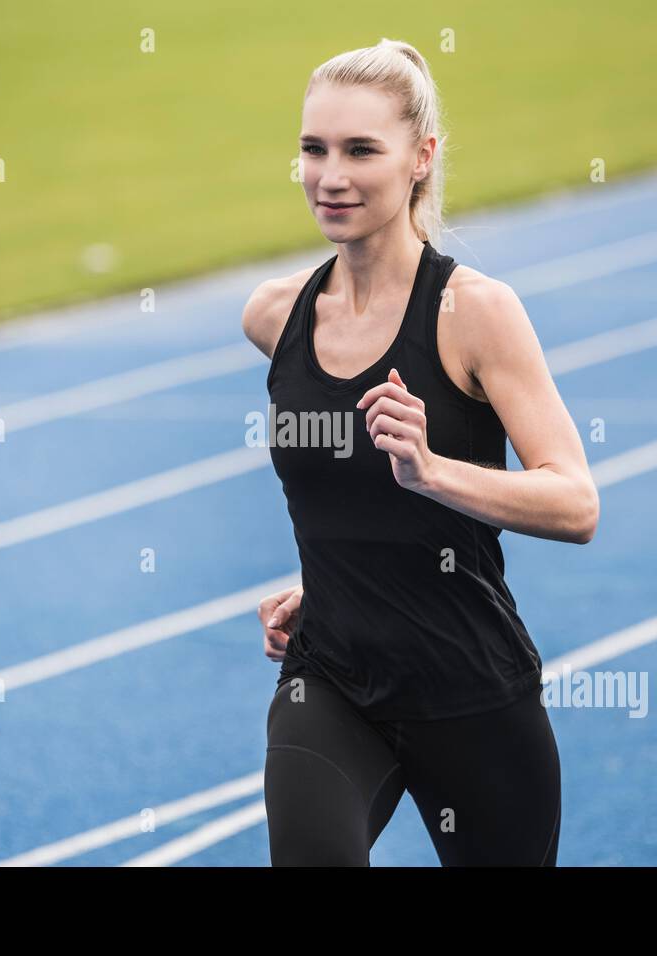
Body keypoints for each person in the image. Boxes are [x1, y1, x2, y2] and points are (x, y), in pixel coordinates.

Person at [240, 37, 599, 866]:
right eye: (313, 148)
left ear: (420, 158)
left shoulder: (475, 313)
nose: (331, 175)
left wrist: (432, 472)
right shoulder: (274, 316)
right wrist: (332, 575)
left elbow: (577, 502)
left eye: (361, 150)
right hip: (328, 678)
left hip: (469, 687)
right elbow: (351, 493)